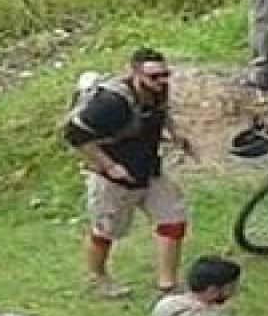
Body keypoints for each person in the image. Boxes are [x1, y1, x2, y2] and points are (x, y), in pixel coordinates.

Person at [63, 48, 195, 300]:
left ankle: (167, 285)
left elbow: (161, 113)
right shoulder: (111, 104)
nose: (162, 81)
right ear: (135, 75)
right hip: (112, 179)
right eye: (154, 77)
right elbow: (74, 135)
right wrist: (109, 166)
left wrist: (177, 137)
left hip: (148, 171)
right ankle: (97, 277)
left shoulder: (157, 92)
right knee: (106, 231)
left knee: (173, 220)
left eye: (166, 74)